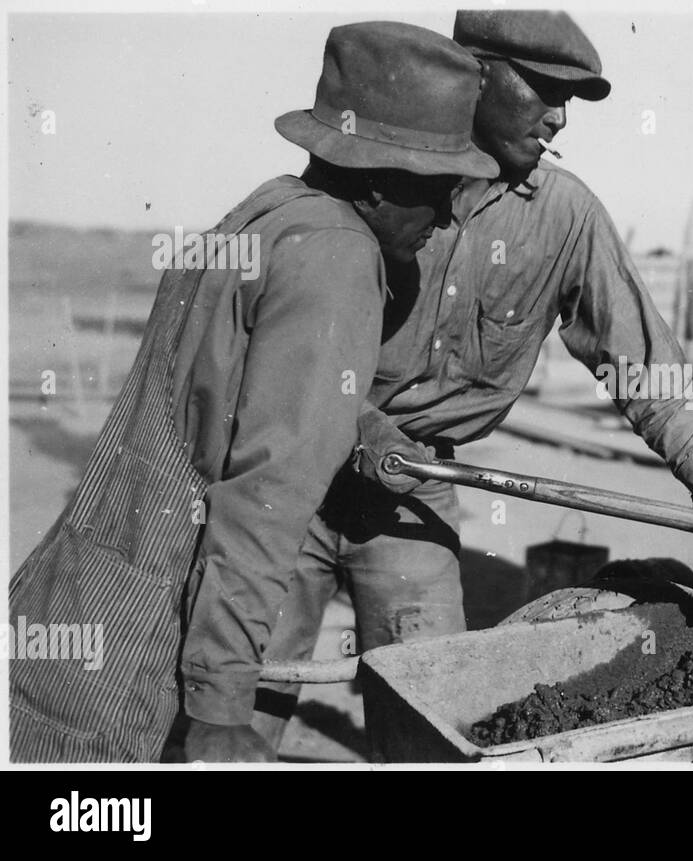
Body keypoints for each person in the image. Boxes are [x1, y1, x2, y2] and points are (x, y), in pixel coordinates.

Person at [249, 10, 693, 755]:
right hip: (291, 476)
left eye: (573, 99)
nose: (561, 117)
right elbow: (273, 336)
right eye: (544, 89)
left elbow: (641, 358)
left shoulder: (564, 216)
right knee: (237, 698)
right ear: (477, 71)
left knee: (434, 718)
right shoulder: (371, 172)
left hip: (410, 495)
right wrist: (361, 425)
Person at [8, 21, 497, 763]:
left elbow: (227, 382)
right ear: (376, 175)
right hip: (141, 649)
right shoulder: (340, 256)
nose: (450, 216)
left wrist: (355, 423)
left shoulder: (270, 212)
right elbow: (263, 502)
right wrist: (223, 706)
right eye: (440, 188)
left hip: (72, 600)